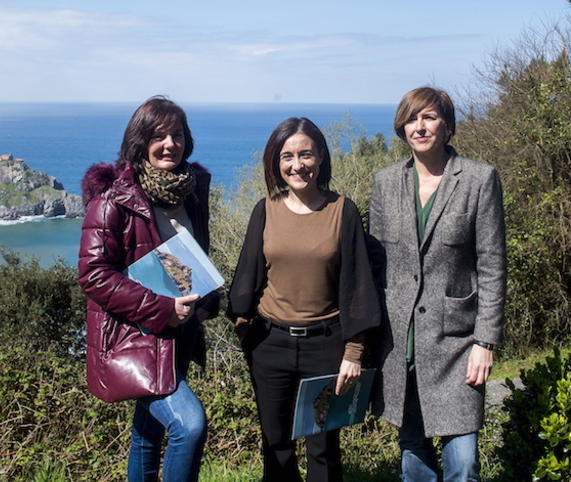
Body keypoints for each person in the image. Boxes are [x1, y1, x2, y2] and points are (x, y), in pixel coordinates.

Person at [227, 117, 381, 482]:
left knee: (323, 449)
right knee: (275, 445)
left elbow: (358, 283)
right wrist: (245, 329)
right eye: (287, 156)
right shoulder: (265, 209)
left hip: (325, 346)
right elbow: (246, 278)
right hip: (270, 344)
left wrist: (353, 352)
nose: (297, 165)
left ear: (321, 157)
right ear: (275, 163)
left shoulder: (342, 211)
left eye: (305, 154)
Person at [368, 87, 507, 481]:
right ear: (402, 128)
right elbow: (377, 262)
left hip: (457, 342)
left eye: (429, 117)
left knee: (463, 461)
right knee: (413, 450)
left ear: (447, 125)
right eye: (412, 119)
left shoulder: (479, 179)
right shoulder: (386, 182)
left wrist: (486, 341)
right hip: (399, 342)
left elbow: (493, 264)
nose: (420, 126)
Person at [78, 96, 219, 482]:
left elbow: (186, 260)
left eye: (177, 134)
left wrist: (208, 299)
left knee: (148, 432)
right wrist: (161, 309)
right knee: (188, 424)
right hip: (134, 338)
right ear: (139, 141)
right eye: (159, 135)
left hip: (180, 336)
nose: (170, 143)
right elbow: (93, 274)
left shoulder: (189, 191)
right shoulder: (113, 202)